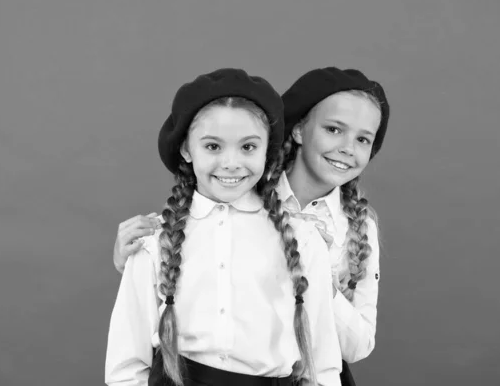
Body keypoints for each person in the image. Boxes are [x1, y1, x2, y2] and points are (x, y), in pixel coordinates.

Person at [113, 67, 389, 386]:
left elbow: (356, 345)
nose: (347, 147)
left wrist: (315, 276)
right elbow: (190, 271)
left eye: (363, 138)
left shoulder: (357, 227)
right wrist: (130, 261)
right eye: (334, 129)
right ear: (298, 130)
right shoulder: (239, 187)